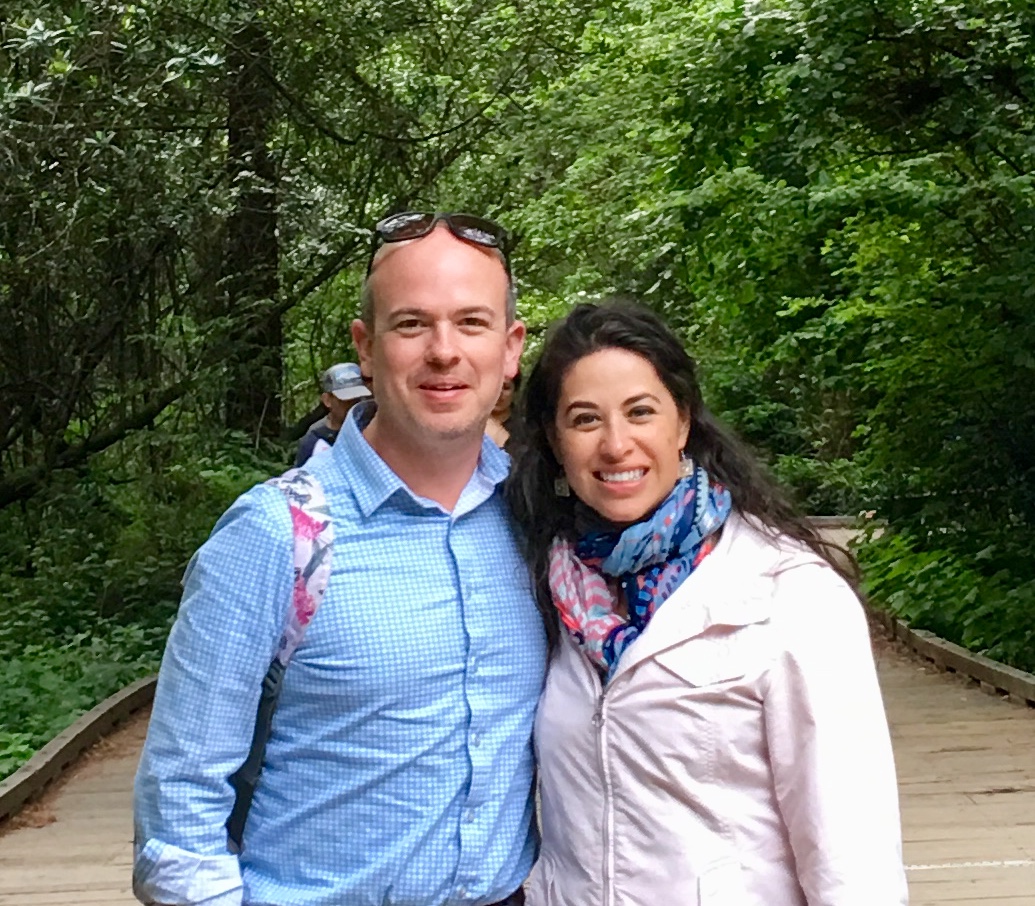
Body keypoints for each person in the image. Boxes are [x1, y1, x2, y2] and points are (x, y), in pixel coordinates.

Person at [134, 212, 543, 906]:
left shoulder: (536, 519)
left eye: (470, 323)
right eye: (412, 324)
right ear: (366, 349)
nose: (444, 352)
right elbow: (180, 803)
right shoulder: (276, 533)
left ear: (509, 350)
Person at [505, 301, 908, 905]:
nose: (617, 444)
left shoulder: (787, 592)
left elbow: (853, 854)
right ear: (556, 442)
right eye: (585, 420)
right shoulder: (550, 585)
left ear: (683, 422)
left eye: (641, 412)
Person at [294, 361, 372, 466]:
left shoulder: (371, 430)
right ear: (327, 400)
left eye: (358, 398)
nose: (353, 405)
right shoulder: (315, 439)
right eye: (345, 400)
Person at [485, 370, 520, 450]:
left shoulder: (524, 426)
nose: (499, 393)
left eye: (506, 388)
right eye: (494, 386)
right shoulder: (471, 423)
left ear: (515, 391)